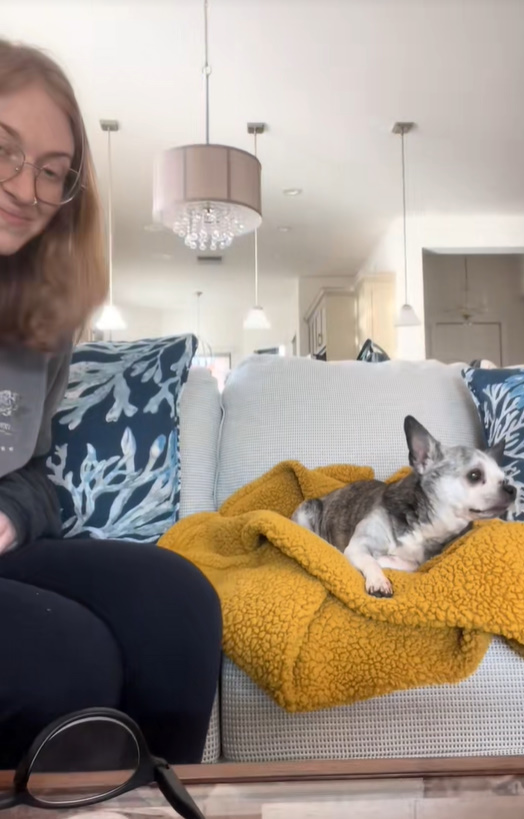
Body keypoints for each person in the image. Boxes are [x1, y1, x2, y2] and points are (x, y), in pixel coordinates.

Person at [0, 39, 222, 769]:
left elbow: (32, 473)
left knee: (178, 607)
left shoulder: (42, 321)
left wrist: (10, 517)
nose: (27, 189)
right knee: (70, 664)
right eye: (4, 151)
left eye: (53, 173)